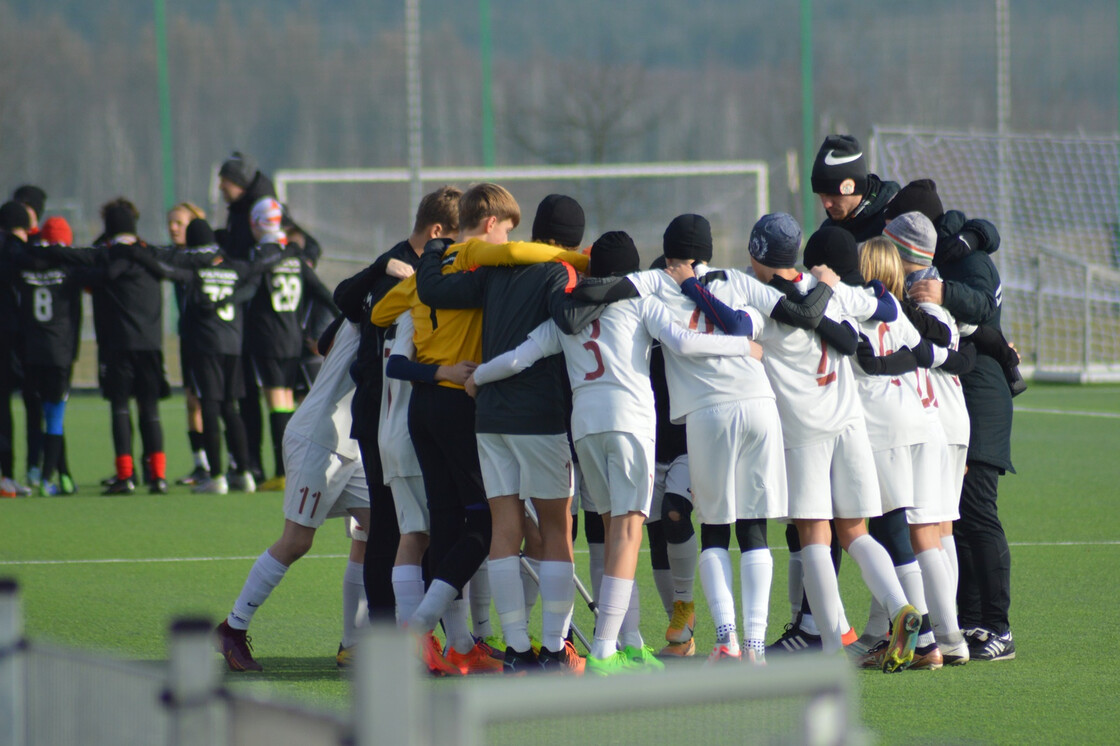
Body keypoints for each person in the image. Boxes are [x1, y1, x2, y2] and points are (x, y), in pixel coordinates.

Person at [468, 230, 764, 673]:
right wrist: (745, 345)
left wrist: (477, 378)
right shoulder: (640, 303)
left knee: (610, 532)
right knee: (628, 534)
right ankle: (607, 649)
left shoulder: (566, 315)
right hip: (629, 426)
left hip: (584, 429)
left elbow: (517, 359)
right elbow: (684, 343)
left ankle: (625, 644)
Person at [411, 190, 598, 675]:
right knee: (557, 529)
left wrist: (433, 252)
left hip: (488, 418)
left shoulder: (494, 268)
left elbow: (432, 292)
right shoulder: (564, 271)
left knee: (505, 529)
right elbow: (568, 322)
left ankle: (516, 650)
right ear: (575, 240)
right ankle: (555, 650)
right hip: (539, 416)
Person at [334, 185, 462, 625]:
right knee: (394, 528)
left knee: (406, 527)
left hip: (392, 414)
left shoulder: (409, 267)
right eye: (457, 237)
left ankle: (401, 636)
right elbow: (344, 309)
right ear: (439, 230)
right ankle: (393, 637)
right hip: (387, 413)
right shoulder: (401, 272)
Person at [902, 181, 1017, 662]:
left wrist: (944, 290)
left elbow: (986, 306)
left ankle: (998, 627)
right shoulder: (951, 248)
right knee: (956, 517)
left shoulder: (961, 257)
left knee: (977, 512)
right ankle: (968, 621)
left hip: (984, 394)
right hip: (955, 394)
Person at [215, 318, 370, 671]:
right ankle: (232, 628)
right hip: (319, 440)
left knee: (380, 533)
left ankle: (354, 644)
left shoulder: (380, 297)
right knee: (297, 541)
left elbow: (324, 341)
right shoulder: (384, 298)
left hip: (353, 443)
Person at [14, 216, 86, 496]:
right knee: (55, 416)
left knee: (41, 412)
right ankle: (47, 480)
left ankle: (57, 474)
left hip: (32, 351)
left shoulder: (25, 266)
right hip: (59, 353)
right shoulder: (69, 269)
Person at [165, 202, 213, 487]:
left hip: (212, 339)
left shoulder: (210, 257)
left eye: (179, 223)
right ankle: (201, 463)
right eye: (170, 222)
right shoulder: (173, 257)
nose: (172, 228)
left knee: (214, 402)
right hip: (188, 338)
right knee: (191, 401)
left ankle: (227, 461)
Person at [811, 134, 900, 242]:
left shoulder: (894, 221)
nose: (826, 204)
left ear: (853, 187)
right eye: (821, 195)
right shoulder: (828, 232)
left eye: (833, 194)